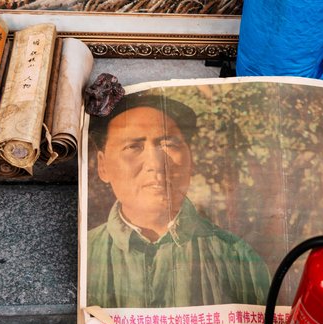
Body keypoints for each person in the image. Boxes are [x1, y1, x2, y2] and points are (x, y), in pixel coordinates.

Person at [86, 90, 270, 308]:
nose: (155, 163)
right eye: (133, 146)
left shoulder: (238, 256)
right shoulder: (86, 253)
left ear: (190, 159)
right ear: (103, 165)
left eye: (169, 144)